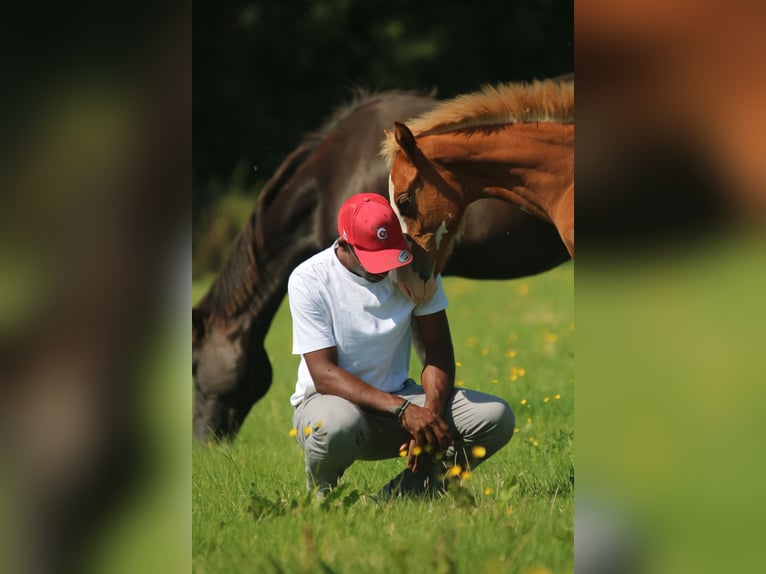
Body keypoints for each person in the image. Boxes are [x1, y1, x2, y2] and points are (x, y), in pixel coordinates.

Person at [288, 193, 515, 497]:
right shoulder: (309, 280)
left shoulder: (415, 268)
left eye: (389, 254)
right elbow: (324, 374)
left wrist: (430, 414)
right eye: (373, 258)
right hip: (332, 404)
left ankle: (404, 496)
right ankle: (321, 500)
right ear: (343, 245)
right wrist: (403, 410)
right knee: (336, 426)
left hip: (401, 403)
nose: (384, 268)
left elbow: (438, 351)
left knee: (495, 417)